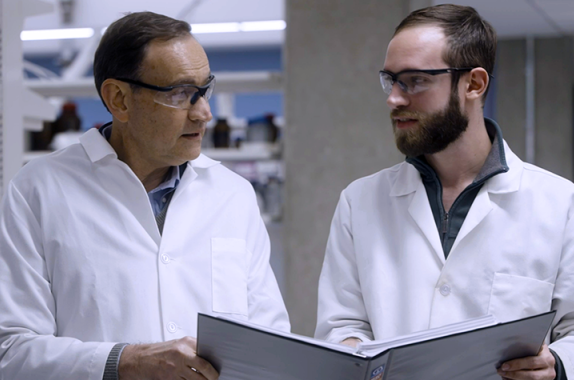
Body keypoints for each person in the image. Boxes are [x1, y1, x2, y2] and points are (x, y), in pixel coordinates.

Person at [0, 11, 289, 380]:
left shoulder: (233, 195)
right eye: (182, 94)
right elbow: (12, 352)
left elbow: (271, 338)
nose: (204, 113)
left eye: (204, 90)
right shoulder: (38, 190)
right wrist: (127, 362)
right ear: (119, 99)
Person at [315, 5, 574, 380]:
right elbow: (342, 325)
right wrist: (351, 354)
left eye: (415, 80)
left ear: (474, 84)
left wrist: (558, 364)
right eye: (390, 80)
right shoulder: (360, 202)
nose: (394, 99)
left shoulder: (560, 202)